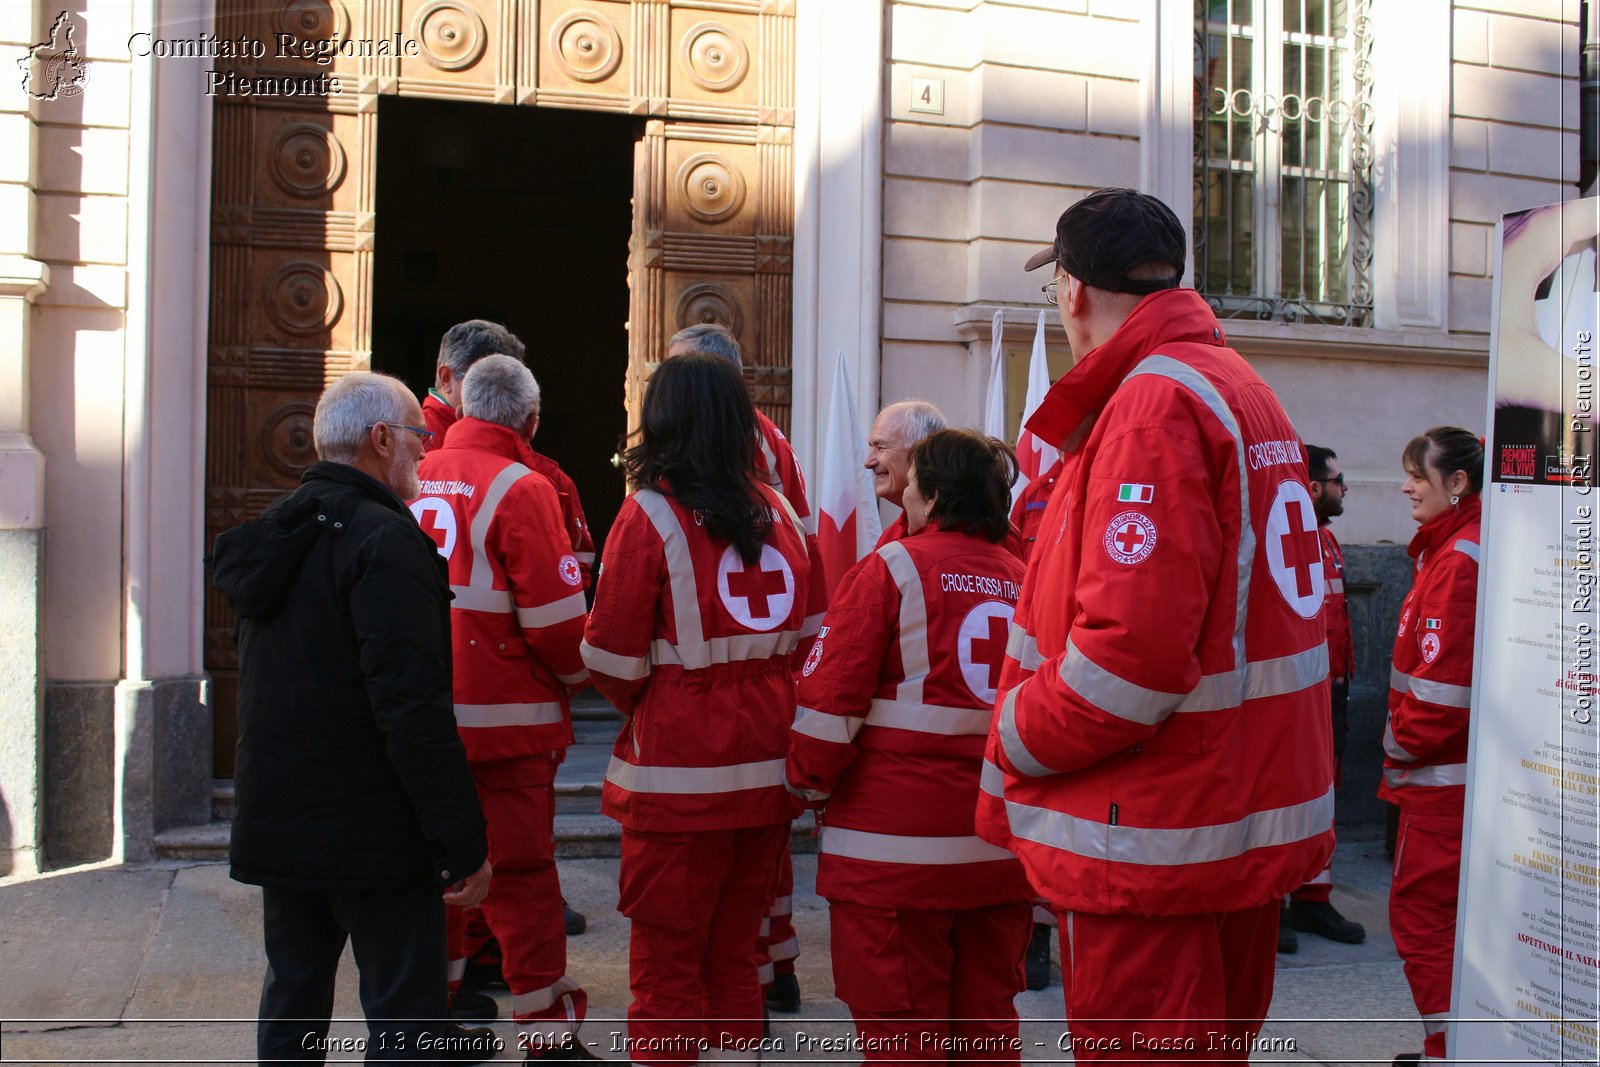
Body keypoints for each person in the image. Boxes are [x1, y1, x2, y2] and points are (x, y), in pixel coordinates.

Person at [977, 188, 1335, 1059]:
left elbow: (1127, 666)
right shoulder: (1234, 380)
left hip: (1152, 834)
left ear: (1071, 290)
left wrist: (1014, 732)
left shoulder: (1150, 403)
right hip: (1217, 815)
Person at [210, 371, 495, 1063]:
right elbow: (411, 708)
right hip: (373, 832)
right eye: (419, 439)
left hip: (283, 817)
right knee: (406, 1018)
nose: (424, 455)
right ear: (381, 438)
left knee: (293, 1003)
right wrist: (462, 841)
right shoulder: (385, 541)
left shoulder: (277, 532)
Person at [581, 353, 813, 1065]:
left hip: (678, 778)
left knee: (667, 968)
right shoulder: (782, 511)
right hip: (769, 767)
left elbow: (612, 659)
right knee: (736, 958)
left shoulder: (648, 512)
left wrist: (667, 698)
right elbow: (809, 636)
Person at [789, 428, 1033, 1062]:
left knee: (902, 1036)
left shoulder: (890, 569)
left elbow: (828, 700)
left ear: (931, 494)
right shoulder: (1025, 577)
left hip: (892, 858)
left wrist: (807, 784)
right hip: (998, 847)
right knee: (987, 1027)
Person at [411, 355, 594, 1059]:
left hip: (423, 720)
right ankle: (547, 1035)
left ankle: (440, 1012)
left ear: (458, 404)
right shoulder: (523, 484)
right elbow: (556, 620)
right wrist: (580, 678)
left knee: (438, 872)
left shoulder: (413, 469)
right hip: (507, 726)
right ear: (531, 420)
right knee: (521, 877)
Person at [665, 322, 817, 1014]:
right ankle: (771, 961)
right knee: (765, 844)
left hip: (708, 688)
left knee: (717, 872)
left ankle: (755, 965)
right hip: (769, 683)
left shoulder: (712, 443)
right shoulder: (772, 443)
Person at [1382, 427, 1483, 1065]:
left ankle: (1449, 1048)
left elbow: (1441, 699)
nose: (1406, 487)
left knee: (1424, 922)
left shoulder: (1456, 563)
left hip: (1440, 789)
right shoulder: (1450, 550)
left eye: (1419, 476)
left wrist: (1395, 746)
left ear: (1457, 485)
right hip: (1446, 783)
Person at [425, 320, 596, 589]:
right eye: (482, 379)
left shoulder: (543, 476)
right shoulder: (407, 447)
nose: (495, 392)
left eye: (508, 380)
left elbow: (574, 569)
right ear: (447, 379)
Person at [1280, 445, 1366, 953]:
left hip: (1333, 688)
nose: (1344, 488)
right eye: (1338, 480)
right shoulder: (1286, 537)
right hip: (1298, 690)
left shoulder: (1328, 540)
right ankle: (1277, 904)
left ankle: (1314, 898)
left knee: (1324, 796)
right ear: (1313, 487)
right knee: (1288, 794)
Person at [866, 400, 948, 547]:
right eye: (872, 447)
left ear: (921, 452)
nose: (868, 462)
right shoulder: (892, 534)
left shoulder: (963, 531)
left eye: (881, 447)